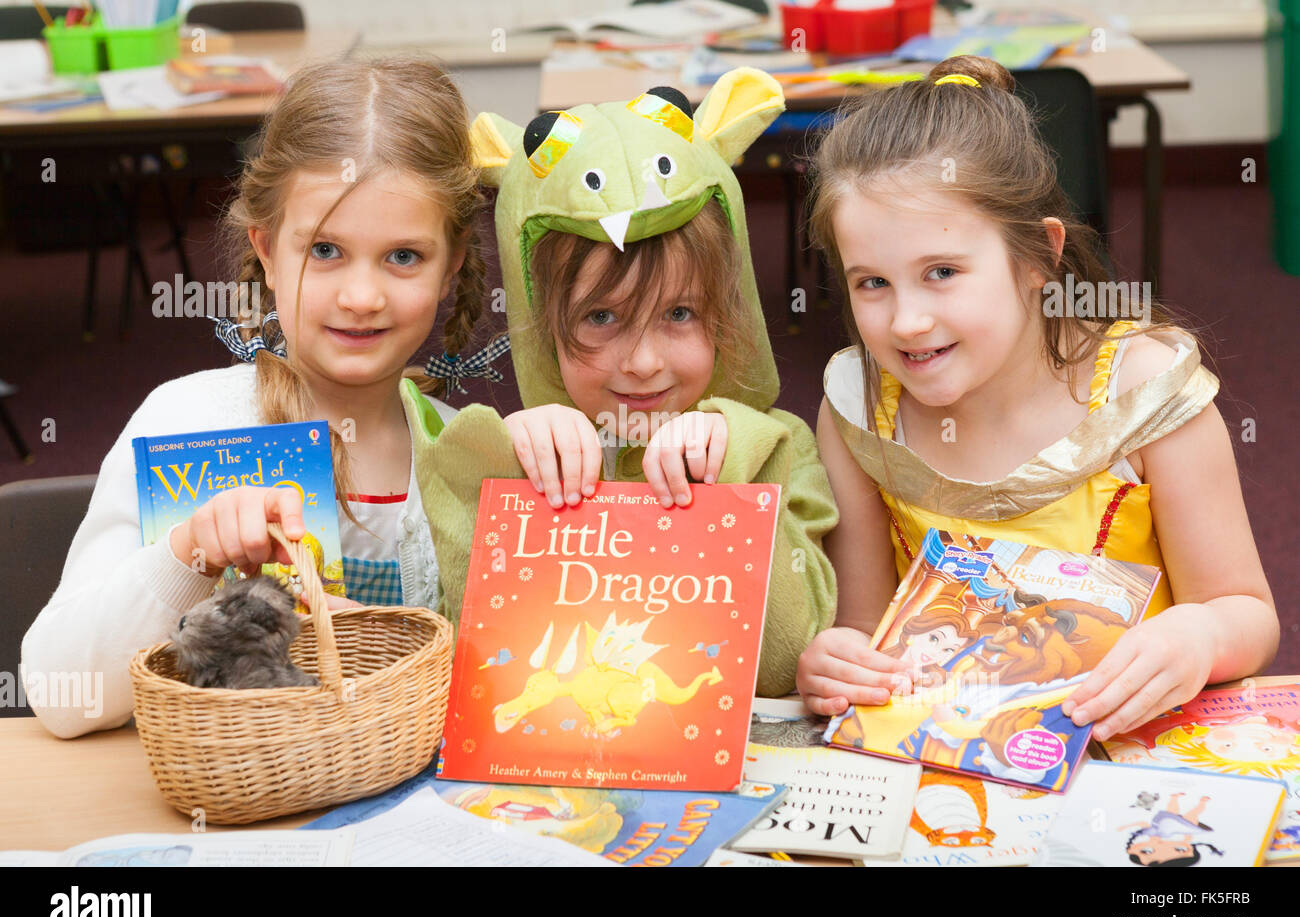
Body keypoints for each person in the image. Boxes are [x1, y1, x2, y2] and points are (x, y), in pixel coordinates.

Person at [795, 56, 1279, 738]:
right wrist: (837, 660)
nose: (905, 321)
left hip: (1126, 748)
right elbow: (865, 629)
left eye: (942, 272)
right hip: (949, 761)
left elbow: (1247, 614)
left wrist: (1200, 634)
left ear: (1038, 258)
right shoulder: (858, 403)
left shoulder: (1144, 395)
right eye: (871, 282)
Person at [21, 58, 490, 738]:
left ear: (452, 267)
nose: (362, 297)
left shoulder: (466, 456)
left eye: (404, 257)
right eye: (325, 250)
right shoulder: (186, 422)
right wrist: (187, 555)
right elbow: (63, 698)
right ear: (267, 251)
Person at [413, 70, 838, 697]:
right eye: (601, 318)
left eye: (679, 314)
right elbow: (476, 659)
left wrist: (734, 462)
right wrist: (501, 458)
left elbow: (782, 662)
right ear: (541, 333)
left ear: (729, 309)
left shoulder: (779, 447)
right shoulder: (527, 458)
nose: (641, 362)